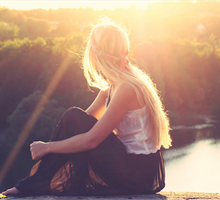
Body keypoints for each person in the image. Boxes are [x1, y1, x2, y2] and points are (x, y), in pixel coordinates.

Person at [2, 18, 172, 196]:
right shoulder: (114, 85)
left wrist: (48, 147)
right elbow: (79, 124)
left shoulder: (126, 89)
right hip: (135, 168)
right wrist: (53, 145)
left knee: (74, 118)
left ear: (95, 54)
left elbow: (92, 139)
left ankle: (34, 184)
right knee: (73, 116)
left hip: (138, 174)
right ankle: (36, 184)